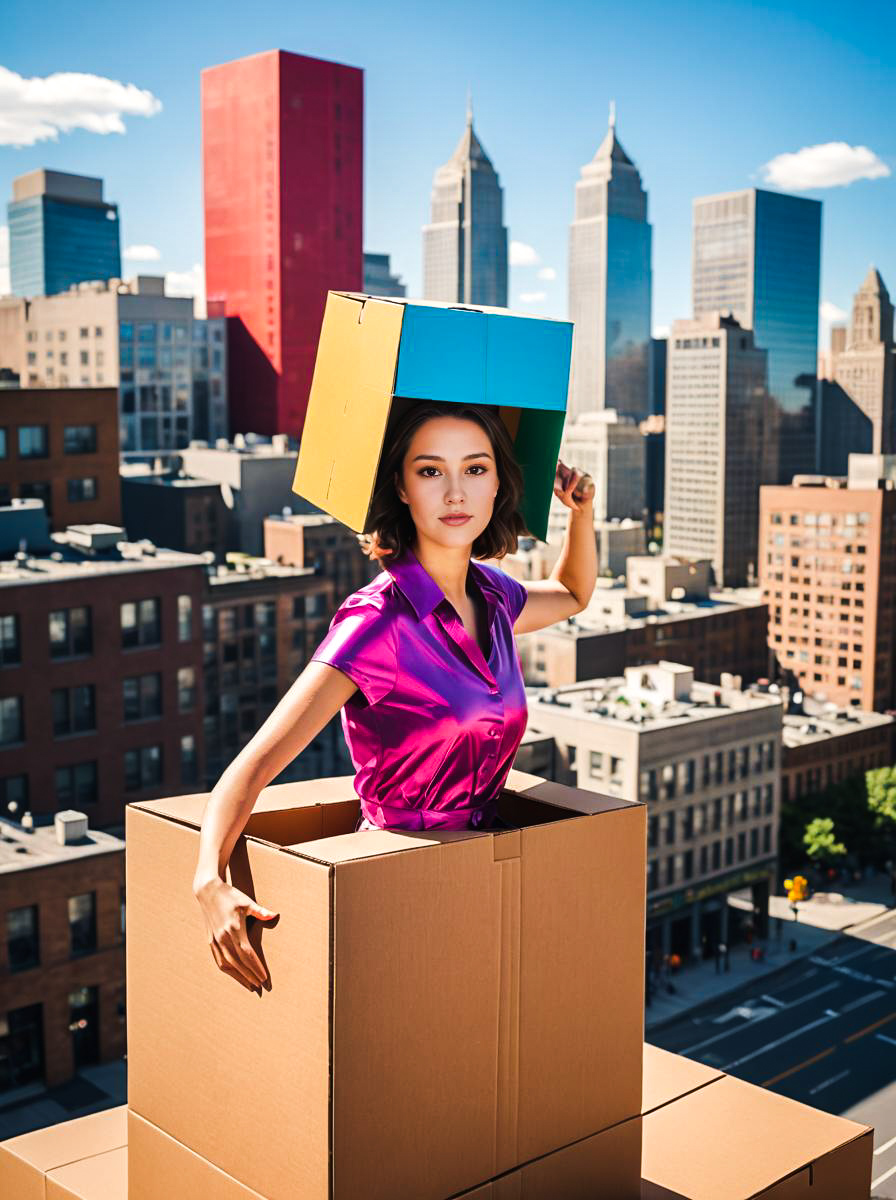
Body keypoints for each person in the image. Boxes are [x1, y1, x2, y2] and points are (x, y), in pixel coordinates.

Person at [192, 401, 597, 992]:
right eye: (431, 471)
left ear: (498, 485)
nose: (456, 492)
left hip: (487, 873)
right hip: (394, 881)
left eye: (476, 469)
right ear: (403, 489)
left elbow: (571, 592)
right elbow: (253, 765)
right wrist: (209, 880)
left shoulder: (495, 596)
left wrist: (581, 515)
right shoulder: (376, 623)